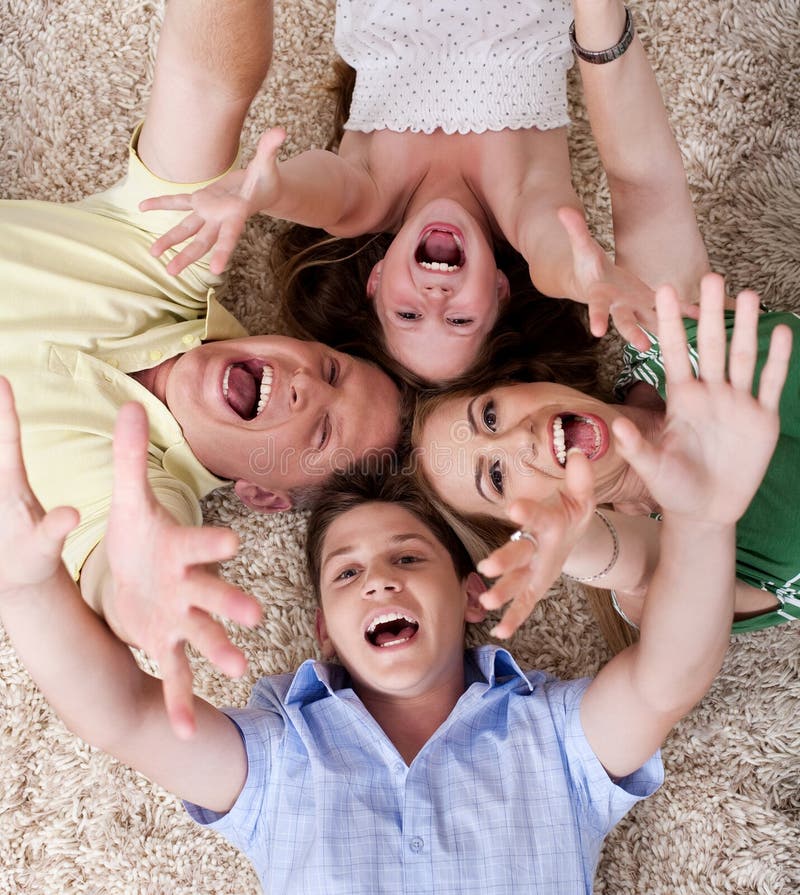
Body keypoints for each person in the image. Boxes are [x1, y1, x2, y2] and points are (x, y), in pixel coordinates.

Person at [0, 276, 786, 890]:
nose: (378, 580)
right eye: (347, 573)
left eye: (410, 557)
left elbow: (668, 678)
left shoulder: (552, 740)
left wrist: (705, 522)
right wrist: (30, 590)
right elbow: (126, 720)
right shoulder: (280, 757)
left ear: (470, 592)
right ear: (323, 630)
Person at [0, 0, 403, 732]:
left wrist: (146, 585)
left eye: (319, 435)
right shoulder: (170, 257)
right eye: (332, 372)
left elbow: (129, 572)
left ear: (266, 495)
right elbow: (210, 81)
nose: (307, 388)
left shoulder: (148, 495)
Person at [140, 0, 693, 386]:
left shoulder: (371, 197)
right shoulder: (519, 203)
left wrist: (265, 190)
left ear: (377, 282)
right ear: (500, 290)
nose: (435, 299)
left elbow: (319, 190)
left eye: (407, 315)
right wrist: (583, 278)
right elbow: (554, 252)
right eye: (459, 321)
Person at [412, 274, 796, 641]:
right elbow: (636, 564)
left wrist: (573, 259)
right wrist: (574, 545)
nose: (518, 440)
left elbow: (649, 213)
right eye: (496, 477)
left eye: (490, 417)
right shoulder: (655, 585)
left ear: (515, 382)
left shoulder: (657, 334)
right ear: (518, 521)